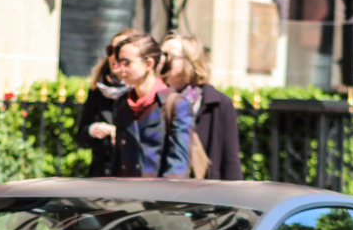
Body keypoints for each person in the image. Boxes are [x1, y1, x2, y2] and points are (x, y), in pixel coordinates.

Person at [90, 32, 192, 177]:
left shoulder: (175, 105)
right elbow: (117, 162)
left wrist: (162, 197)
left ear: (148, 64)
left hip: (159, 196)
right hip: (125, 196)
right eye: (119, 62)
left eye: (127, 62)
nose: (121, 69)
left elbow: (178, 166)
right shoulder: (122, 104)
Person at [160, 33, 243, 180]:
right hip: (164, 192)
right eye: (160, 54)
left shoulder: (218, 103)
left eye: (168, 55)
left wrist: (233, 199)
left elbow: (231, 161)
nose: (161, 60)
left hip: (205, 194)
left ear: (190, 60)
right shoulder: (157, 98)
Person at [77, 28, 140, 177]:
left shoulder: (143, 92)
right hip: (101, 174)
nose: (114, 56)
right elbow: (80, 136)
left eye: (119, 51)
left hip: (132, 177)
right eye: (111, 50)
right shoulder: (97, 89)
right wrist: (93, 130)